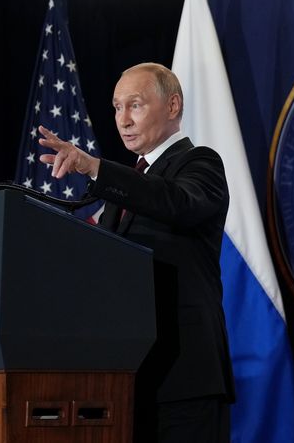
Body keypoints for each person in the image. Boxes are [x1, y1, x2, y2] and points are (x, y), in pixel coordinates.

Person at [39, 62, 233, 443]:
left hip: (185, 376)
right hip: (128, 378)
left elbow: (177, 203)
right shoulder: (122, 188)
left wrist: (96, 168)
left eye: (135, 105)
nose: (123, 119)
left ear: (173, 106)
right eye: (116, 107)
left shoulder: (200, 164)